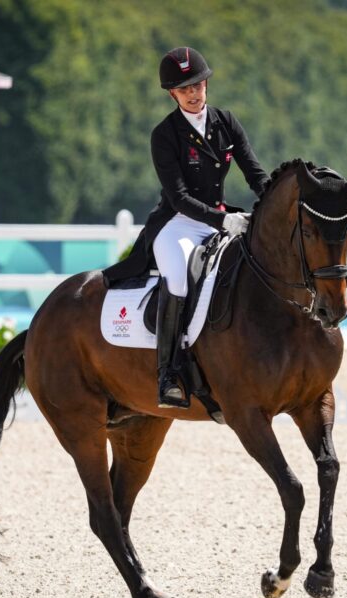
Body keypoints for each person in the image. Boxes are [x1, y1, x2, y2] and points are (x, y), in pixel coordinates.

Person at [102, 46, 270, 409]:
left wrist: (274, 202)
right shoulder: (165, 134)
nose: (194, 94)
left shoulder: (227, 122)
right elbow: (178, 197)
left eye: (198, 85)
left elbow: (255, 174)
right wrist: (223, 220)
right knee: (178, 279)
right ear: (172, 94)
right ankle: (168, 374)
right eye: (184, 89)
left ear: (207, 83)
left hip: (219, 221)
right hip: (177, 225)